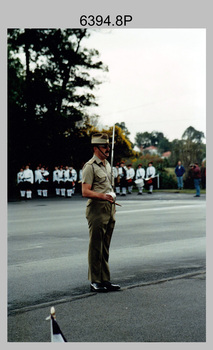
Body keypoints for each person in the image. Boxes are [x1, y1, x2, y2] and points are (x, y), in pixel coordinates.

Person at [82, 132, 120, 293]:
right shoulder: (90, 167)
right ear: (96, 148)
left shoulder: (107, 165)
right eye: (104, 146)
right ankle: (95, 281)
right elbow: (85, 191)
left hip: (110, 208)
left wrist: (109, 196)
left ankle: (105, 279)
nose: (108, 148)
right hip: (97, 209)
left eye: (108, 145)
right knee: (96, 246)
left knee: (105, 246)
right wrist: (102, 196)